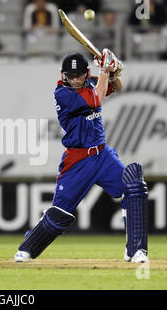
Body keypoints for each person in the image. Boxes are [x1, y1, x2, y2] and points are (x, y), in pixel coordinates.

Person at [14, 49, 149, 264]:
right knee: (59, 213)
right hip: (77, 159)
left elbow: (118, 87)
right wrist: (105, 69)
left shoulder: (91, 82)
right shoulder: (62, 94)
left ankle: (136, 250)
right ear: (63, 75)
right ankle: (28, 247)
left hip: (102, 154)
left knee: (133, 186)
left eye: (79, 75)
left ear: (87, 73)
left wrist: (114, 73)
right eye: (71, 76)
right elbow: (96, 100)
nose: (76, 80)